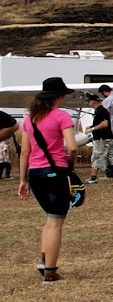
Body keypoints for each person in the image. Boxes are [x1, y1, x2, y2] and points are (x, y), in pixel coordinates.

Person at [17, 77, 78, 284]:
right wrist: (70, 165)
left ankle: (45, 261)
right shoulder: (62, 116)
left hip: (35, 173)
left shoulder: (29, 119)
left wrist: (23, 179)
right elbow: (72, 146)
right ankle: (50, 272)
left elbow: (24, 152)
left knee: (49, 219)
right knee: (55, 222)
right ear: (59, 96)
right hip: (56, 172)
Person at [82, 92, 113, 183]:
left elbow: (104, 124)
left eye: (89, 101)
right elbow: (101, 123)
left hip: (102, 139)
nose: (88, 103)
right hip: (106, 138)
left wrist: (92, 129)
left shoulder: (101, 111)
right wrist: (91, 126)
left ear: (93, 102)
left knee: (96, 157)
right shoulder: (99, 111)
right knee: (111, 157)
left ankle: (93, 178)